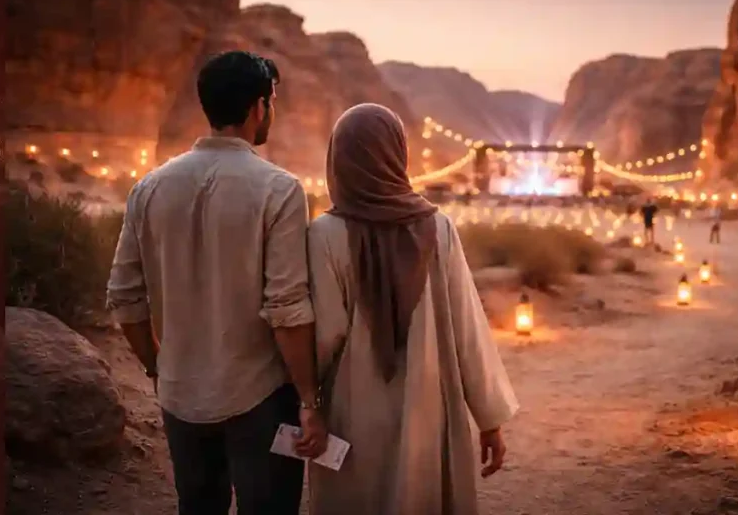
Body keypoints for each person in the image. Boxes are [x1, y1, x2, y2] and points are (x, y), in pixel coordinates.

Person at [106, 51, 327, 515]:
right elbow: (287, 307)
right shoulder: (279, 189)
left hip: (181, 393)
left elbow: (124, 298)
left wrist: (157, 366)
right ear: (258, 107)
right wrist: (310, 400)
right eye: (272, 101)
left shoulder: (149, 188)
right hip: (260, 398)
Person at [307, 103, 519, 515]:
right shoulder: (437, 228)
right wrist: (489, 420)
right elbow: (468, 332)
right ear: (396, 154)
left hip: (352, 407)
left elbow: (325, 334)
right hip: (430, 406)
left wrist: (305, 399)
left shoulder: (325, 234)